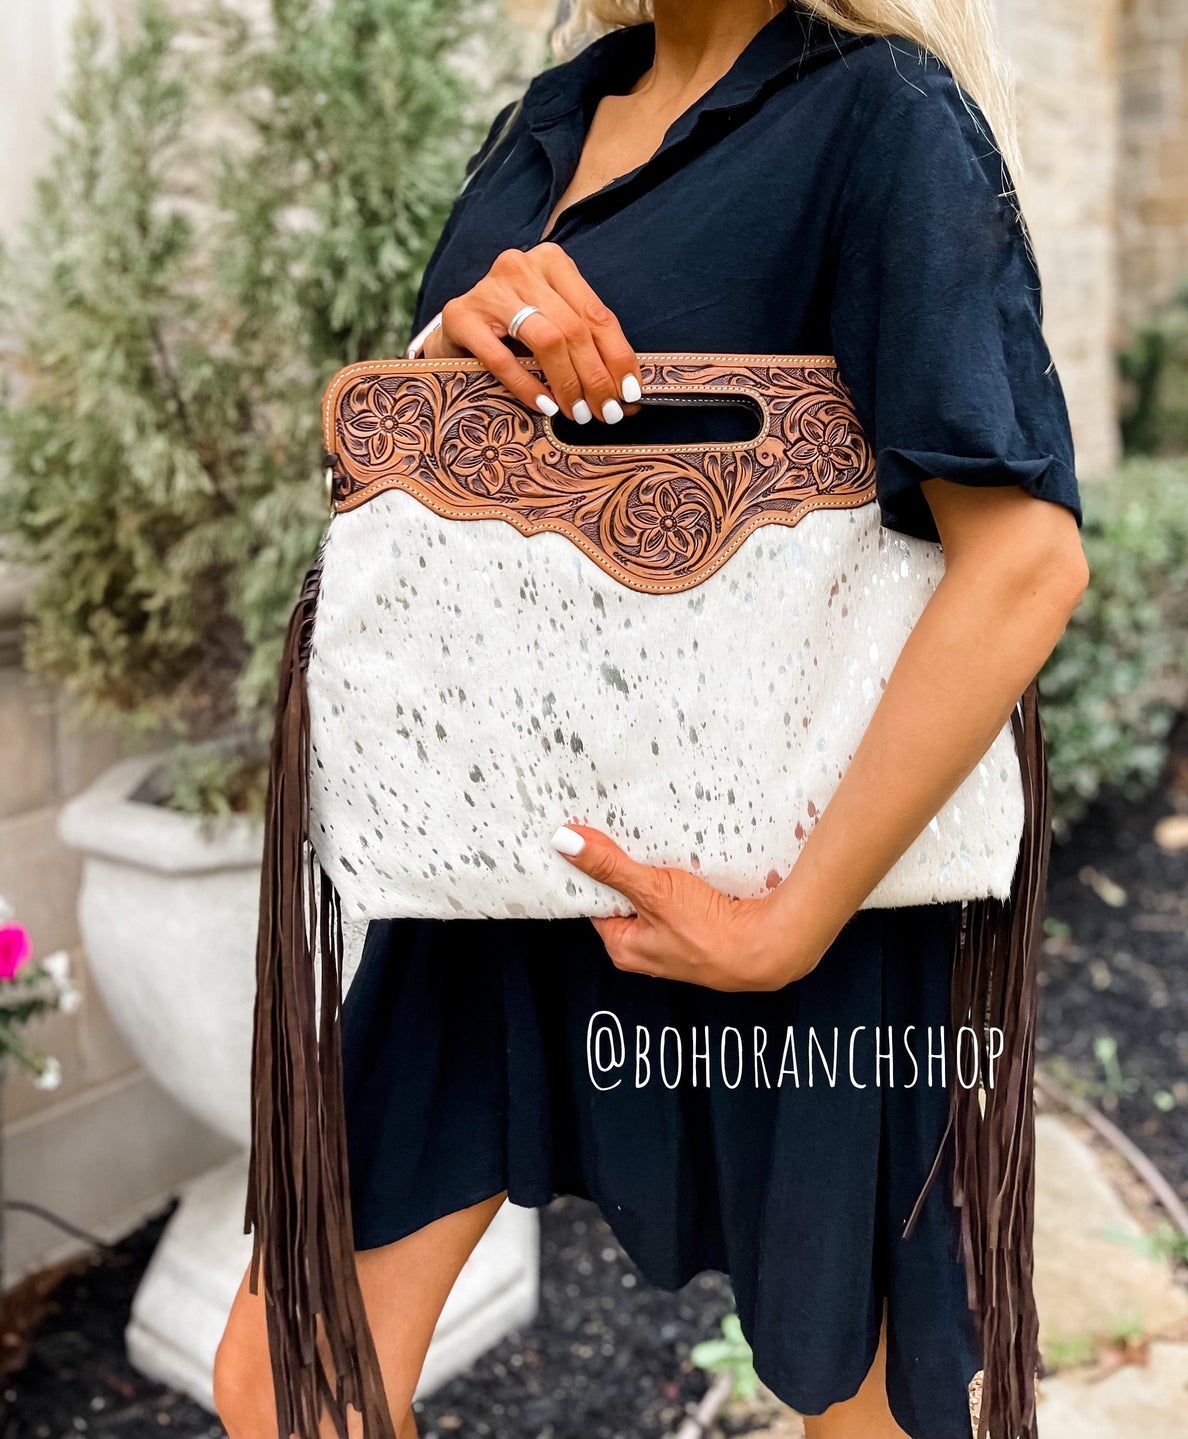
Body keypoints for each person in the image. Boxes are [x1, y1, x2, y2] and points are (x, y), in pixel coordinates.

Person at [213, 0, 1088, 1435]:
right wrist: (457, 340)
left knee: (860, 1407)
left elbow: (1024, 560)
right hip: (499, 866)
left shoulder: (880, 117)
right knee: (281, 1384)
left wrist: (786, 923)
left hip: (779, 868)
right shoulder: (549, 118)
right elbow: (421, 481)